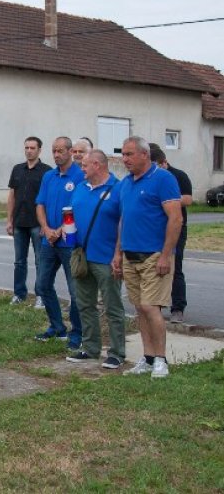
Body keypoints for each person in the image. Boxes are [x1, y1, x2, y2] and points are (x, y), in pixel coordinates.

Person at [113, 136, 181, 378]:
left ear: (145, 155)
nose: (125, 159)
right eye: (123, 154)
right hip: (130, 255)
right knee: (140, 309)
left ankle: (161, 360)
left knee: (151, 307)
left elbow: (175, 218)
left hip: (154, 255)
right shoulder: (126, 183)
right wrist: (118, 253)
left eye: (129, 154)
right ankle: (148, 357)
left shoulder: (163, 179)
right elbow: (124, 219)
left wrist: (165, 255)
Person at [65, 150, 125, 368]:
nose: (81, 169)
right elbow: (71, 215)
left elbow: (123, 223)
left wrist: (118, 254)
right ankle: (91, 348)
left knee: (112, 306)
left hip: (106, 257)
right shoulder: (80, 188)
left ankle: (117, 352)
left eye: (85, 165)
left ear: (98, 165)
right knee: (84, 304)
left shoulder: (118, 189)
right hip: (81, 255)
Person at [34, 136, 84, 349]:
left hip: (69, 243)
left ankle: (77, 333)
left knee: (75, 292)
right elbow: (40, 204)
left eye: (60, 151)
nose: (56, 154)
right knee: (42, 285)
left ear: (70, 151)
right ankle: (57, 326)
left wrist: (60, 230)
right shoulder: (49, 176)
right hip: (49, 242)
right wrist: (46, 229)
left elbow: (79, 208)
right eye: (53, 151)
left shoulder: (80, 176)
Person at [6, 136, 51, 308]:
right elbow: (12, 196)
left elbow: (48, 199)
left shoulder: (47, 171)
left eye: (33, 148)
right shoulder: (17, 169)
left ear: (39, 150)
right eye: (27, 147)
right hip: (19, 222)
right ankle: (19, 294)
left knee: (41, 261)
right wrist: (9, 220)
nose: (29, 151)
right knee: (19, 261)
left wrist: (45, 224)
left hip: (37, 224)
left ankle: (41, 295)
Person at [149, 145, 192, 323]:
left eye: (155, 165)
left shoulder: (178, 175)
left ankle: (178, 308)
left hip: (175, 228)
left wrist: (165, 198)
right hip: (154, 229)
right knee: (153, 266)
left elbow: (188, 199)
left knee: (175, 266)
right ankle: (156, 306)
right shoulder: (149, 177)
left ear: (164, 162)